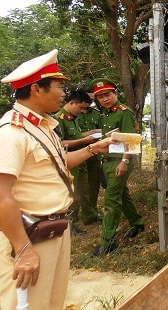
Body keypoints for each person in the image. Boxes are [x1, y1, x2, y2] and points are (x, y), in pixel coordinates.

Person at [0, 49, 115, 310]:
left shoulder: (43, 126)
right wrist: (22, 250)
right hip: (30, 235)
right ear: (36, 89)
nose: (64, 94)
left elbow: (59, 162)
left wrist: (93, 149)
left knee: (51, 302)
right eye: (58, 86)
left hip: (54, 229)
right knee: (30, 305)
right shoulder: (11, 133)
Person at [89, 78, 145, 257]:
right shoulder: (104, 114)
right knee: (121, 193)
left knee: (111, 200)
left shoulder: (124, 112)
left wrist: (125, 162)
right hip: (107, 161)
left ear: (115, 93)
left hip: (120, 161)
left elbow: (131, 140)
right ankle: (137, 223)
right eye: (100, 97)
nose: (104, 99)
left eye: (107, 94)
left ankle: (108, 242)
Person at [54, 90, 100, 234]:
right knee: (72, 193)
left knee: (84, 191)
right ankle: (70, 223)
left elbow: (77, 134)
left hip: (81, 161)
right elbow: (60, 143)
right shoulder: (58, 119)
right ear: (72, 103)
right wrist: (83, 141)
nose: (82, 111)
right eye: (80, 108)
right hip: (69, 162)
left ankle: (89, 216)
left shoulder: (73, 118)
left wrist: (93, 132)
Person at [76, 88, 103, 225]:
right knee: (79, 186)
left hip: (94, 154)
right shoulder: (73, 113)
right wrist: (90, 133)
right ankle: (74, 216)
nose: (91, 102)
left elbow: (101, 131)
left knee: (93, 184)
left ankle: (91, 212)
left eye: (93, 100)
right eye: (89, 100)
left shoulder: (97, 113)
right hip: (77, 154)